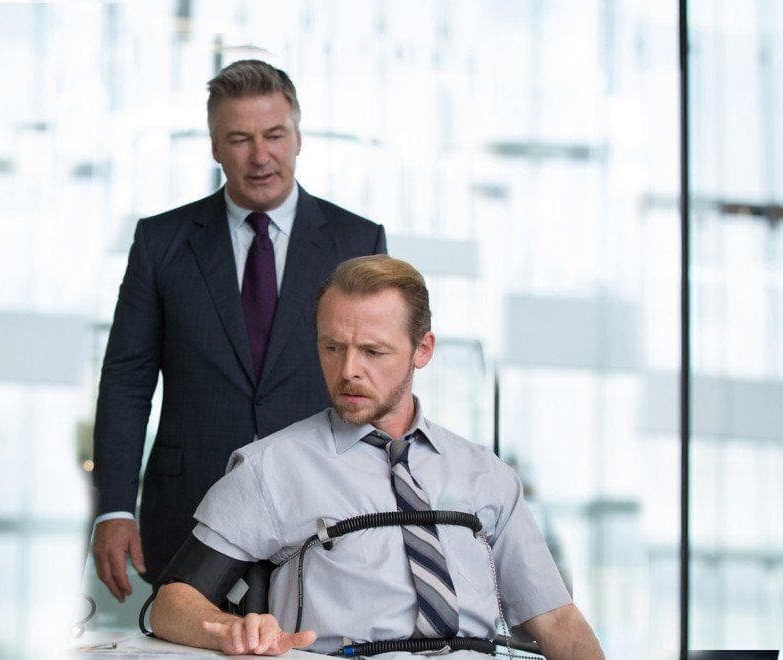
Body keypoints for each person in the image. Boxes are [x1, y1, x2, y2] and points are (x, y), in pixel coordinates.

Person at [149, 256, 605, 660]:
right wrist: (233, 629)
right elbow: (170, 605)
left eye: (373, 351)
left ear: (422, 350)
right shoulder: (270, 468)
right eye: (332, 347)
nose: (349, 370)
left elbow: (557, 621)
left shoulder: (485, 475)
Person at [91, 60, 387, 599]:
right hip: (188, 507)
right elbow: (126, 380)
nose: (260, 156)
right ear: (214, 147)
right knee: (183, 638)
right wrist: (114, 506)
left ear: (298, 137)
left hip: (324, 508)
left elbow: (380, 380)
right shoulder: (161, 242)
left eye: (274, 135)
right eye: (239, 139)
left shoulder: (357, 242)